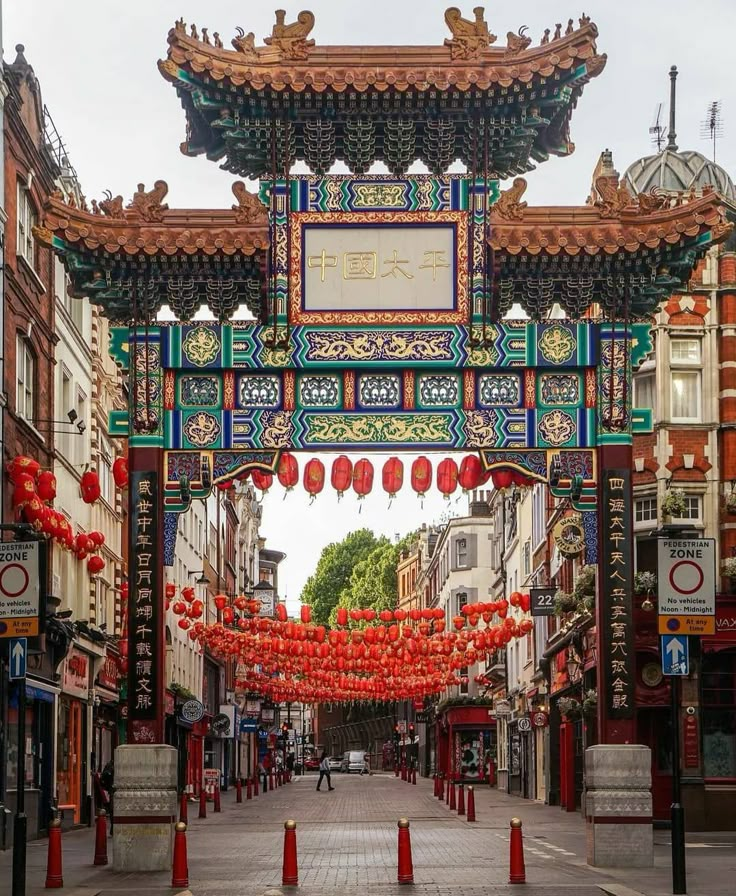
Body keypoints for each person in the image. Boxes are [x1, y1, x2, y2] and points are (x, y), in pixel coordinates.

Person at [100, 760, 114, 832]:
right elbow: (103, 777)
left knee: (112, 809)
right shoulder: (110, 766)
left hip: (112, 789)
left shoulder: (110, 765)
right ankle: (113, 827)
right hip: (112, 789)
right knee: (113, 809)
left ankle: (113, 827)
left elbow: (102, 778)